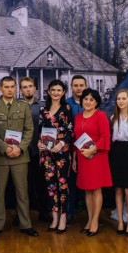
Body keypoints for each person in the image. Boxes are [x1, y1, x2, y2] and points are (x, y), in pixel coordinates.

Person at [0, 76, 38, 238]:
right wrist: (5, 148)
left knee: (22, 193)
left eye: (12, 87)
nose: (9, 90)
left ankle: (25, 224)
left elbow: (29, 130)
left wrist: (20, 148)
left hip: (20, 157)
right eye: (6, 87)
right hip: (0, 157)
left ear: (16, 88)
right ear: (1, 89)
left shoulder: (23, 106)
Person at [37, 80, 74, 234]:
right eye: (53, 90)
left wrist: (61, 143)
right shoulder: (43, 109)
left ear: (64, 92)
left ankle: (63, 218)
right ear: (49, 91)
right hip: (46, 153)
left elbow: (70, 130)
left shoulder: (66, 108)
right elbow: (40, 130)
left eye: (59, 90)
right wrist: (39, 142)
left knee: (62, 185)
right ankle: (54, 218)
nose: (56, 92)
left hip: (62, 152)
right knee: (51, 186)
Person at [74, 88, 111, 237]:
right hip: (82, 156)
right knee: (87, 189)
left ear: (96, 102)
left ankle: (95, 221)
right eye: (86, 99)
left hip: (97, 156)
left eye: (91, 99)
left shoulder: (100, 115)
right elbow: (75, 139)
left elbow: (105, 137)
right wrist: (75, 158)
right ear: (81, 100)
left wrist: (92, 150)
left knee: (96, 189)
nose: (88, 102)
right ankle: (89, 220)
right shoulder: (77, 117)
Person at [109, 89, 128, 237]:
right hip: (116, 152)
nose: (121, 101)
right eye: (118, 99)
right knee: (118, 190)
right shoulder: (112, 118)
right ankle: (121, 220)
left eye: (124, 98)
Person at [20, 76, 48, 223]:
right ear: (21, 90)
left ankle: (43, 212)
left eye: (30, 86)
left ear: (35, 88)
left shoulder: (43, 106)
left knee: (41, 184)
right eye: (24, 87)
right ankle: (22, 215)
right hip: (22, 152)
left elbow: (48, 128)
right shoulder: (17, 106)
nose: (28, 89)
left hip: (39, 152)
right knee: (22, 185)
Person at [65, 74, 87, 224]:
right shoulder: (66, 104)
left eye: (81, 85)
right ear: (71, 87)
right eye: (76, 85)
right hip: (70, 148)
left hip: (89, 149)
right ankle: (69, 212)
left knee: (88, 182)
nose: (79, 88)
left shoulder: (91, 102)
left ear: (85, 86)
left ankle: (89, 214)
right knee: (70, 182)